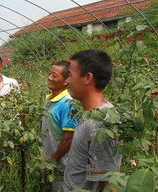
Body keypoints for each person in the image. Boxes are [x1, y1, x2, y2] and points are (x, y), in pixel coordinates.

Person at [63, 49, 122, 192]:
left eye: (70, 75)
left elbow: (108, 185)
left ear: (88, 78)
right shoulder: (90, 115)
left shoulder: (102, 123)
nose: (67, 81)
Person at [41, 60, 77, 191]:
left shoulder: (67, 103)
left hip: (62, 162)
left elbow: (69, 137)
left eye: (54, 75)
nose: (49, 77)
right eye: (50, 73)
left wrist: (54, 159)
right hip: (51, 159)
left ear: (66, 80)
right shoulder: (50, 99)